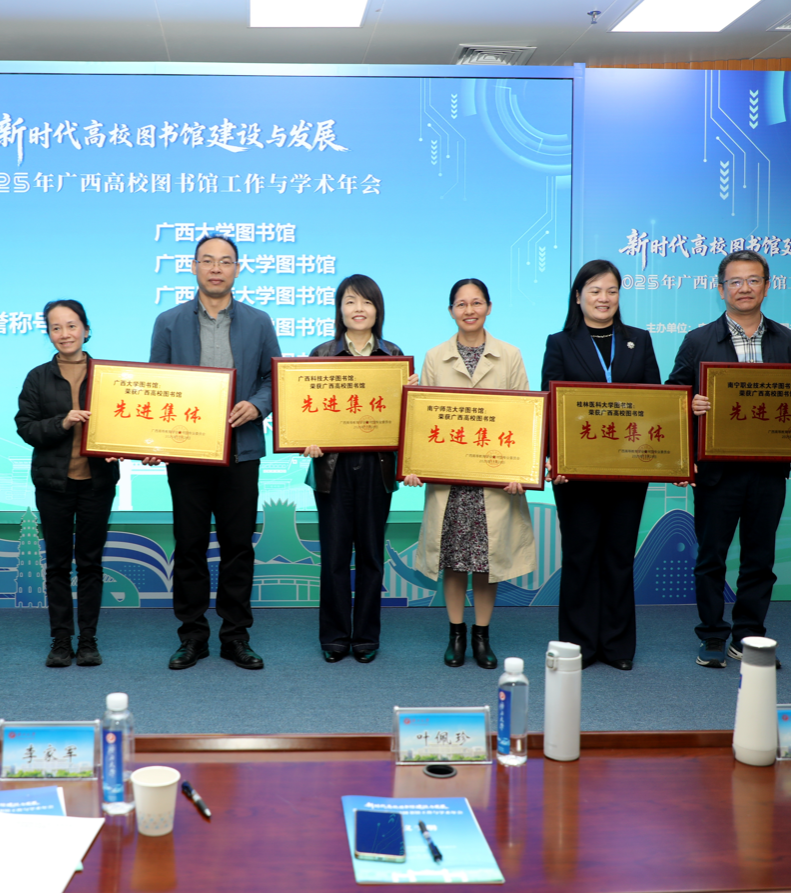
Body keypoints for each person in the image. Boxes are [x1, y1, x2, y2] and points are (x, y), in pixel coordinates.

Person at [667, 250, 791, 669]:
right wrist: (689, 404)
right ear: (721, 289)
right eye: (735, 281)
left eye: (753, 280)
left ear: (767, 287)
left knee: (759, 559)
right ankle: (712, 635)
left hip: (768, 471)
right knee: (711, 558)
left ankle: (749, 635)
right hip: (717, 473)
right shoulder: (698, 340)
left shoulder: (784, 338)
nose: (744, 288)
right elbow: (672, 396)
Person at [148, 234, 282, 670]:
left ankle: (235, 636)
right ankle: (192, 636)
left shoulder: (259, 321)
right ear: (193, 267)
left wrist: (257, 405)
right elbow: (156, 384)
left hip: (241, 450)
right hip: (187, 454)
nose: (216, 268)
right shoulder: (168, 322)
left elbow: (274, 378)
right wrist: (152, 441)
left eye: (225, 261)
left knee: (237, 546)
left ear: (237, 269)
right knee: (189, 546)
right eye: (207, 260)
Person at [404, 278, 536, 669]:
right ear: (451, 312)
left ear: (489, 308)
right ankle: (456, 633)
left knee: (486, 561)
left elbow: (526, 417)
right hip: (451, 479)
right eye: (461, 304)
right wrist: (413, 465)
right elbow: (423, 420)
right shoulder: (434, 356)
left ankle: (482, 635)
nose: (469, 310)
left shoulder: (510, 355)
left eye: (476, 303)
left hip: (494, 480)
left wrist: (522, 469)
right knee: (454, 559)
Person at [541, 260, 659, 671]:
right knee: (580, 555)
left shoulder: (639, 341)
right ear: (578, 297)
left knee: (619, 555)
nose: (603, 298)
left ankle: (617, 646)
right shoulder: (560, 343)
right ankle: (578, 645)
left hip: (629, 468)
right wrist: (554, 458)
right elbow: (550, 403)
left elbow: (656, 403)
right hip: (576, 471)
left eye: (611, 290)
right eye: (594, 290)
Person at [303, 275, 417, 664]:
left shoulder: (394, 355)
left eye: (367, 302)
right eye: (350, 301)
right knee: (335, 556)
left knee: (370, 555)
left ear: (377, 310)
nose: (358, 309)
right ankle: (335, 636)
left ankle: (366, 636)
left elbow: (406, 421)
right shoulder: (320, 354)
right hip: (331, 468)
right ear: (339, 309)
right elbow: (305, 410)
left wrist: (412, 394)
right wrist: (307, 439)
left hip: (376, 467)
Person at [15, 300, 120, 667]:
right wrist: (62, 422)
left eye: (72, 326)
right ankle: (61, 640)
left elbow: (126, 422)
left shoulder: (110, 376)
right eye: (56, 328)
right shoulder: (37, 377)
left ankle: (88, 639)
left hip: (97, 482)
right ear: (48, 334)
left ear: (86, 330)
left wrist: (119, 447)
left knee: (90, 564)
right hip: (53, 484)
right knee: (57, 566)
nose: (65, 334)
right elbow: (26, 427)